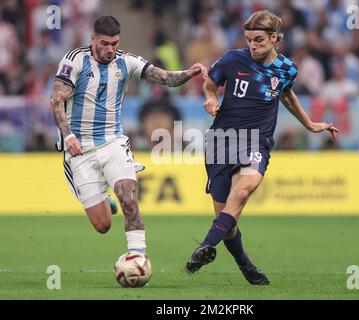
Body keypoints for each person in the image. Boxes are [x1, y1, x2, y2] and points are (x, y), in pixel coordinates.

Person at [185, 10, 338, 285]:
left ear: (275, 38)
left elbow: (287, 95)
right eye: (249, 40)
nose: (253, 46)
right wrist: (210, 99)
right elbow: (210, 84)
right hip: (221, 141)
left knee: (242, 191)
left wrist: (310, 124)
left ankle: (205, 246)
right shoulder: (233, 59)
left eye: (258, 40)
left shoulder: (287, 69)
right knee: (226, 219)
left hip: (257, 141)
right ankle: (246, 266)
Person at [50, 16, 206, 258]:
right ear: (93, 39)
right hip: (79, 149)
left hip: (113, 143)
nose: (110, 49)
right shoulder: (74, 60)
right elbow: (57, 100)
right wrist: (68, 135)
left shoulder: (126, 62)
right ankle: (103, 194)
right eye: (104, 43)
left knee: (129, 198)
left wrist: (190, 72)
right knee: (103, 225)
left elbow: (165, 78)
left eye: (114, 43)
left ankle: (138, 259)